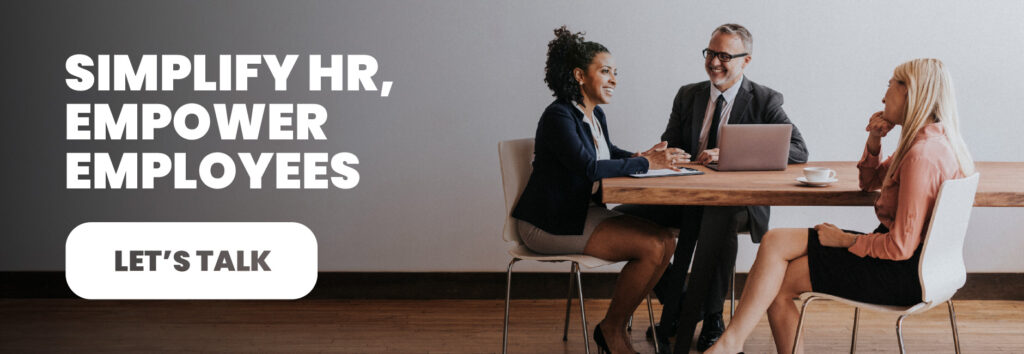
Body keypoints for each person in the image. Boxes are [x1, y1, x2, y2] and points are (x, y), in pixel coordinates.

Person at [706, 58, 976, 354]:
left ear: (910, 92)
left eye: (889, 86)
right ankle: (730, 344)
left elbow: (900, 247)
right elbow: (869, 181)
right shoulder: (931, 142)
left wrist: (846, 240)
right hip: (922, 265)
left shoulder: (921, 156)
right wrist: (874, 139)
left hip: (902, 272)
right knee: (775, 240)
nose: (883, 96)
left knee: (779, 284)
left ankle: (728, 345)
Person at [614, 23, 807, 351]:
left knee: (723, 220)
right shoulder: (688, 95)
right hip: (687, 196)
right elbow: (671, 143)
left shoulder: (764, 100)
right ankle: (685, 302)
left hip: (739, 205)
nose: (714, 62)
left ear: (745, 61)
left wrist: (732, 153)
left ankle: (713, 318)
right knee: (620, 219)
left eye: (725, 56)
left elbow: (799, 150)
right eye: (710, 53)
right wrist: (662, 153)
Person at [511, 26, 689, 354]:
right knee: (651, 247)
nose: (613, 80)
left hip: (580, 214)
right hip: (548, 224)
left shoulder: (595, 115)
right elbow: (588, 168)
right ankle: (611, 330)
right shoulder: (558, 116)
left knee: (666, 240)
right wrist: (647, 163)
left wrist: (642, 156)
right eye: (605, 71)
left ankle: (616, 325)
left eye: (615, 73)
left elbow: (607, 153)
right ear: (579, 75)